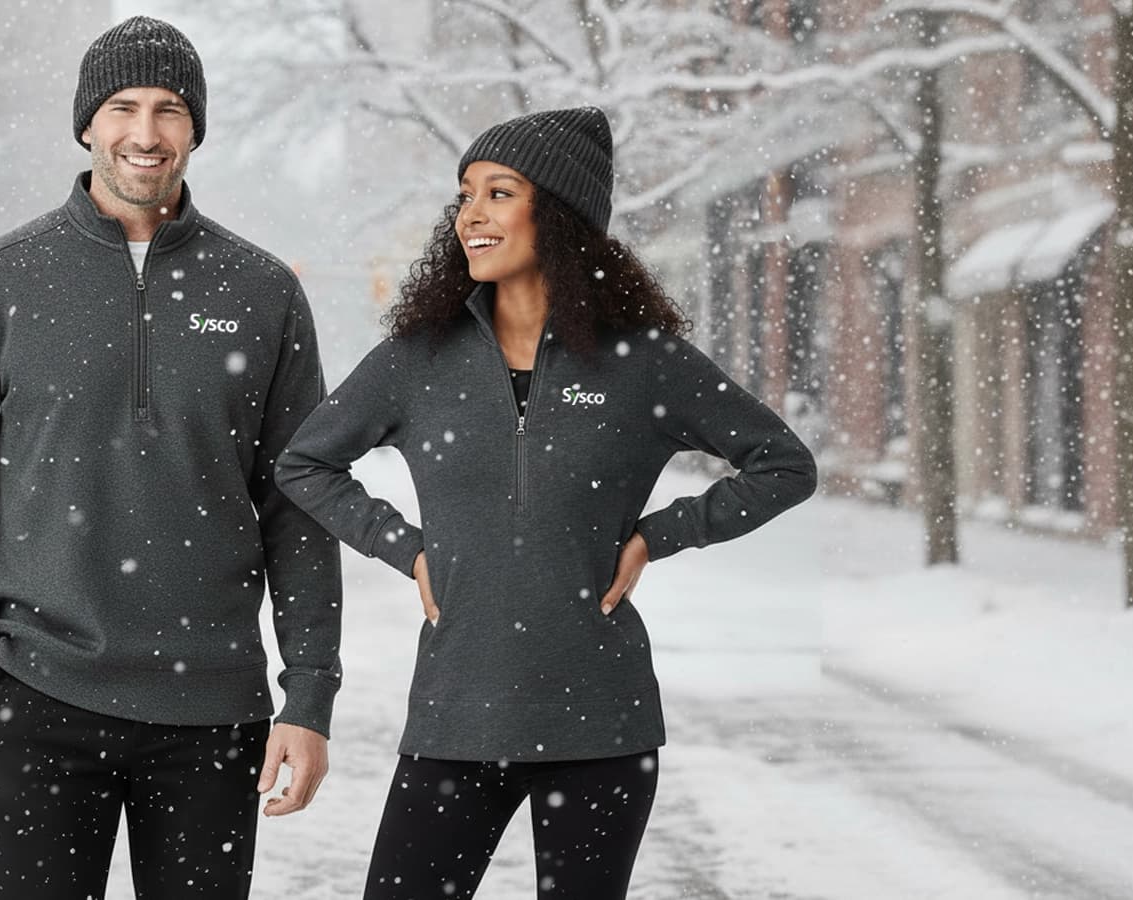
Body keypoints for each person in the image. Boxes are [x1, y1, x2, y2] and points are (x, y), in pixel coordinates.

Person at [275, 106, 817, 899]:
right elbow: (306, 463)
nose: (472, 215)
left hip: (600, 721)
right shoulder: (419, 358)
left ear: (557, 217)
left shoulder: (643, 361)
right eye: (465, 195)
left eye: (499, 193)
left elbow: (783, 464)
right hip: (457, 714)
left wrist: (658, 537)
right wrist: (408, 548)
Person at [0, 16, 343, 899]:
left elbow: (299, 504)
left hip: (215, 709)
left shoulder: (261, 291)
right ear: (86, 124)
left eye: (170, 109)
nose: (146, 134)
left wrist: (310, 696)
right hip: (39, 696)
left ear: (195, 126)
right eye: (122, 107)